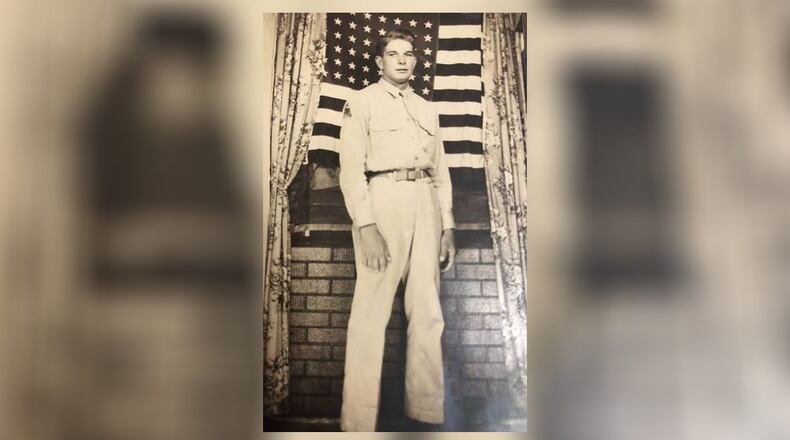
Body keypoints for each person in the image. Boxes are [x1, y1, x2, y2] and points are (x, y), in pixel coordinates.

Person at [337, 28, 456, 432]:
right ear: (379, 61)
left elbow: (440, 173)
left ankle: (425, 413)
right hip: (383, 201)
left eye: (409, 54)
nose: (402, 60)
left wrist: (448, 226)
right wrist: (366, 225)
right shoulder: (361, 102)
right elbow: (351, 171)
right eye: (393, 53)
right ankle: (357, 422)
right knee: (370, 314)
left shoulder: (427, 109)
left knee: (427, 312)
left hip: (425, 203)